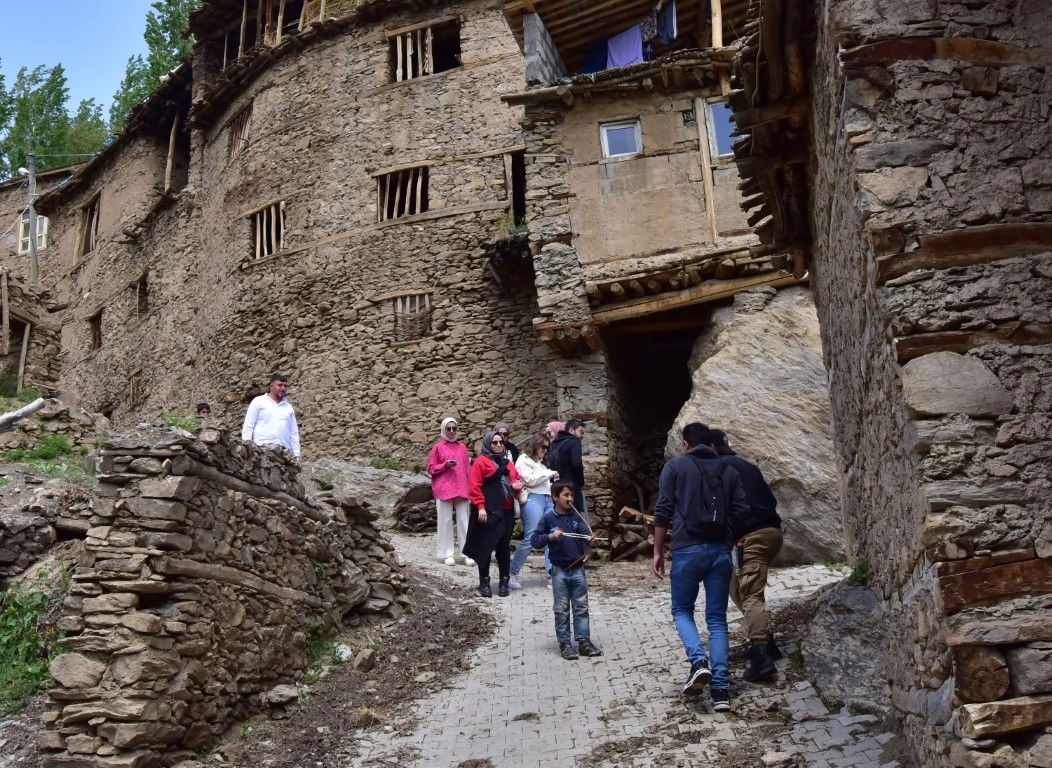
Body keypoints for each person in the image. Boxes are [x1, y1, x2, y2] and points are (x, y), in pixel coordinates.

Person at [652, 422, 749, 712]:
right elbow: (742, 512)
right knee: (717, 619)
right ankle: (721, 691)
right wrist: (728, 537)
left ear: (685, 444)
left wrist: (657, 551)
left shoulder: (675, 467)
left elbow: (663, 509)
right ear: (712, 444)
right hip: (720, 551)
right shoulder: (729, 471)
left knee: (682, 610)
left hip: (686, 549)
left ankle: (698, 662)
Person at [708, 428, 783, 682]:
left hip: (751, 537)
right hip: (772, 532)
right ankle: (765, 641)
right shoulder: (747, 466)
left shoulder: (719, 469)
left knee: (751, 595)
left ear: (712, 448)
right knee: (735, 586)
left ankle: (762, 658)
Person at [531, 480, 602, 660]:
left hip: (578, 568)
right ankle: (564, 644)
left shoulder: (577, 516)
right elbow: (535, 540)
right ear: (555, 497)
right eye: (566, 495)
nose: (570, 499)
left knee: (581, 606)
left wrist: (592, 541)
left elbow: (586, 535)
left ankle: (584, 642)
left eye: (572, 495)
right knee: (561, 609)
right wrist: (550, 536)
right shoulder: (548, 518)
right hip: (559, 570)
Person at [463, 431, 524, 598]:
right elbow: (474, 487)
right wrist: (480, 507)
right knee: (486, 546)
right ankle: (484, 582)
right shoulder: (481, 462)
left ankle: (504, 582)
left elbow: (516, 479)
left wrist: (517, 485)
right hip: (488, 510)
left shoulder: (507, 463)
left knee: (503, 547)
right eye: (495, 442)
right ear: (488, 444)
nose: (498, 445)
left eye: (501, 442)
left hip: (506, 510)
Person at [510, 432, 558, 589]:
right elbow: (529, 480)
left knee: (553, 535)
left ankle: (551, 574)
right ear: (535, 445)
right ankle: (512, 573)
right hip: (533, 498)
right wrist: (550, 473)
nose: (545, 450)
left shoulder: (541, 463)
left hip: (547, 498)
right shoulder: (523, 460)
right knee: (531, 537)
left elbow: (543, 483)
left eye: (547, 447)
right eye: (543, 447)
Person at [427, 417, 474, 568]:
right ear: (444, 430)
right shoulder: (438, 447)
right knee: (445, 520)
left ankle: (467, 553)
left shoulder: (462, 447)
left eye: (454, 428)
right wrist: (444, 466)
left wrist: (470, 487)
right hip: (444, 488)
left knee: (464, 520)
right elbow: (430, 468)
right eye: (449, 428)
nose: (452, 431)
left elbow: (467, 468)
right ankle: (447, 553)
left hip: (461, 487)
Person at [241, 374, 301, 458]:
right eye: (279, 385)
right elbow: (249, 424)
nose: (283, 388)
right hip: (261, 450)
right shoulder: (258, 402)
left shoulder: (289, 408)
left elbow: (293, 433)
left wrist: (297, 456)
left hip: (284, 454)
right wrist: (247, 446)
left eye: (285, 386)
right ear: (271, 387)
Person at [547, 419, 587, 519]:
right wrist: (581, 482)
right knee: (575, 516)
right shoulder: (574, 442)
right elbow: (576, 464)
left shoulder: (555, 443)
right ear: (572, 430)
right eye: (581, 432)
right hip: (571, 485)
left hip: (557, 486)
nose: (582, 436)